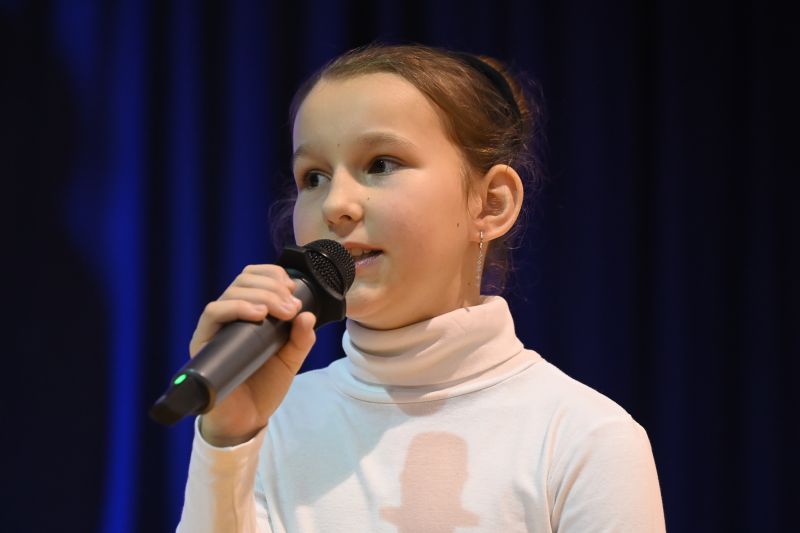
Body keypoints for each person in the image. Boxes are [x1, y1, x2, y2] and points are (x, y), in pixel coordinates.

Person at [177, 44, 665, 532]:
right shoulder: (273, 424)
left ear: (491, 203)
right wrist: (227, 442)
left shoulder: (583, 437)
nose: (335, 204)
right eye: (314, 177)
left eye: (381, 164)